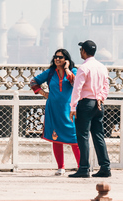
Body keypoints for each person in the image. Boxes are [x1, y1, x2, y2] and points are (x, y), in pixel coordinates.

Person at [30, 48, 81, 175]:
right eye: (56, 57)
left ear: (66, 59)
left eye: (61, 57)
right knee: (56, 137)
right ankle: (61, 167)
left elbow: (75, 82)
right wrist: (43, 93)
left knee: (74, 139)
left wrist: (67, 69)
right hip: (53, 109)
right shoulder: (50, 73)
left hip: (69, 110)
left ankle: (81, 167)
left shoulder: (74, 71)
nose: (57, 59)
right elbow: (33, 82)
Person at [68, 40, 110, 178]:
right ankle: (105, 167)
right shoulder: (102, 67)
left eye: (81, 50)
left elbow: (77, 88)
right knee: (98, 136)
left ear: (84, 51)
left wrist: (73, 106)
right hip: (98, 103)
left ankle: (84, 168)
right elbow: (106, 87)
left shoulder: (84, 68)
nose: (80, 52)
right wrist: (101, 99)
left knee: (83, 136)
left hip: (86, 104)